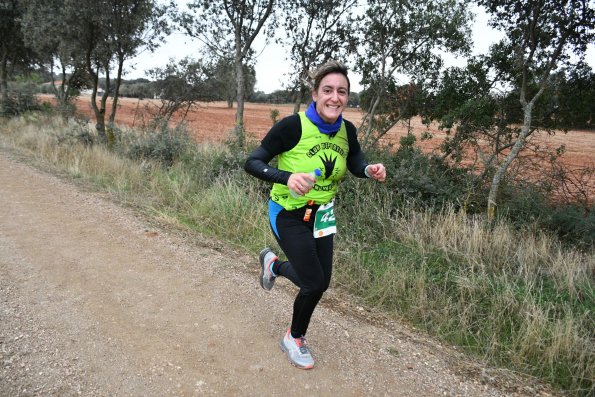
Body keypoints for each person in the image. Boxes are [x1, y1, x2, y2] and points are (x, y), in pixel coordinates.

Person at [244, 60, 386, 369]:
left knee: (322, 282)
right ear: (315, 93)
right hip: (288, 213)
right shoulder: (292, 126)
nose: (335, 97)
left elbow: (354, 160)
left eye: (342, 92)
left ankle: (273, 266)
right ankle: (294, 338)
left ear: (347, 97)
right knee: (313, 282)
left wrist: (367, 169)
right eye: (328, 90)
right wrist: (286, 177)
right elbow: (252, 162)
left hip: (322, 215)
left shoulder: (347, 130)